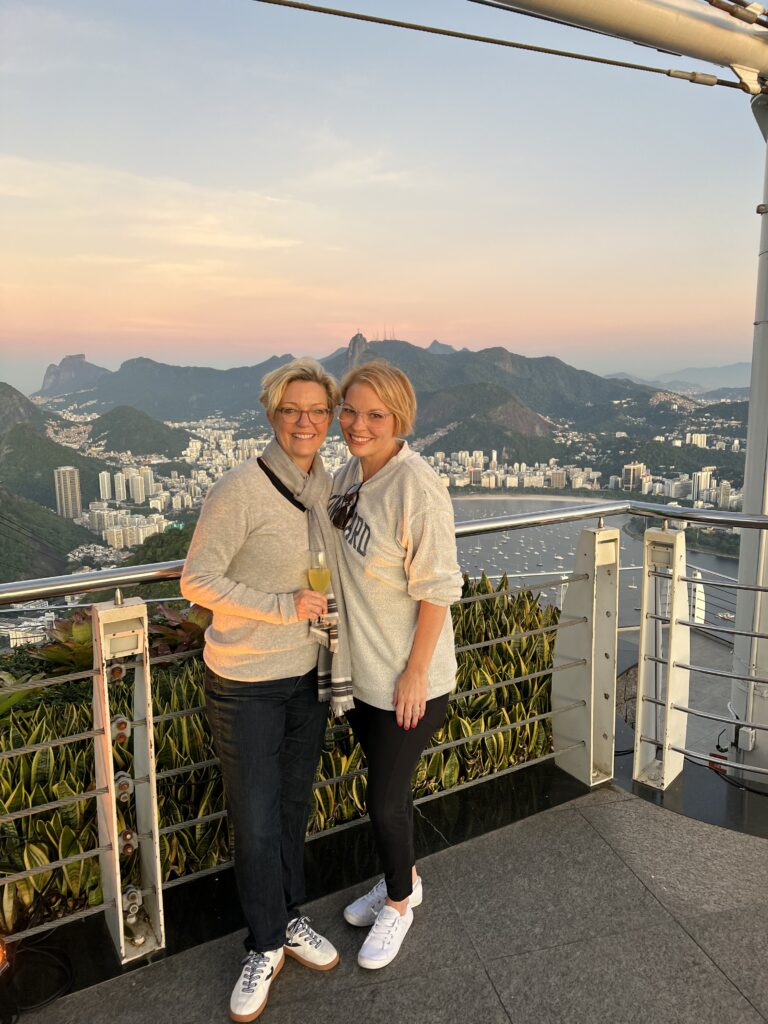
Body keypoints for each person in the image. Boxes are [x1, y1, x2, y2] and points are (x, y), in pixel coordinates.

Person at [181, 357, 352, 1023]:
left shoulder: (326, 485)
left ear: (329, 417)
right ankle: (262, 944)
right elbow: (196, 580)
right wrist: (288, 606)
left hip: (307, 675)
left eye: (317, 411)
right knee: (253, 824)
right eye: (292, 410)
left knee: (289, 810)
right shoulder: (240, 489)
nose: (306, 421)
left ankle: (288, 917)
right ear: (271, 414)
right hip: (247, 681)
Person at [329, 360, 462, 970]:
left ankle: (401, 904)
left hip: (410, 680)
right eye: (350, 410)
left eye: (374, 414)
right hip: (363, 673)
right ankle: (398, 874)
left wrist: (415, 671)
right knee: (389, 791)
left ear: (399, 419)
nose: (358, 424)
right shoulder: (345, 476)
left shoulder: (417, 486)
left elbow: (437, 588)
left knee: (382, 800)